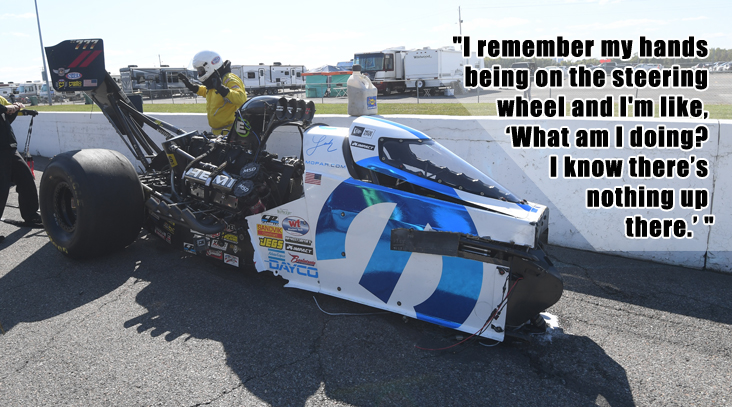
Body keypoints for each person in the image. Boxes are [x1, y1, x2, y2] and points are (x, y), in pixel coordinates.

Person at [0, 96, 40, 243]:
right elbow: (4, 109)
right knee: (1, 189)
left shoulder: (0, 99)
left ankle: (31, 215)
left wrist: (15, 109)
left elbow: (6, 119)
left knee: (26, 180)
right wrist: (6, 108)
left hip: (9, 148)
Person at [178, 51, 247, 136]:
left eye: (200, 70)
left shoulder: (228, 79)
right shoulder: (214, 81)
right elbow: (210, 93)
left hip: (230, 132)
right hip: (217, 132)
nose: (199, 73)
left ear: (209, 67)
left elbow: (241, 99)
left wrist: (222, 89)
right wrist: (193, 87)